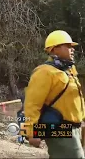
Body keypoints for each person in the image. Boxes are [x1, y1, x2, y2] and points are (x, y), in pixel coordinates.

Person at [24, 30, 85, 158]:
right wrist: (31, 132)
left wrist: (82, 120)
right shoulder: (45, 72)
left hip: (75, 128)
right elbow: (31, 104)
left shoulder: (69, 71)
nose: (72, 49)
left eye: (72, 46)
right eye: (67, 46)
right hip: (59, 127)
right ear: (54, 50)